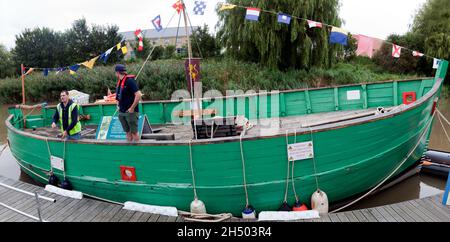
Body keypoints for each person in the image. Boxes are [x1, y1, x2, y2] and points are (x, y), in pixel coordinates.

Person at [115, 64, 143, 142]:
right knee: (127, 132)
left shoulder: (130, 81)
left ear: (117, 72)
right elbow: (119, 96)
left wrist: (132, 108)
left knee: (134, 132)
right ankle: (130, 150)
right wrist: (117, 104)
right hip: (122, 111)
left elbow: (138, 95)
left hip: (131, 112)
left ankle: (138, 150)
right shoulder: (119, 82)